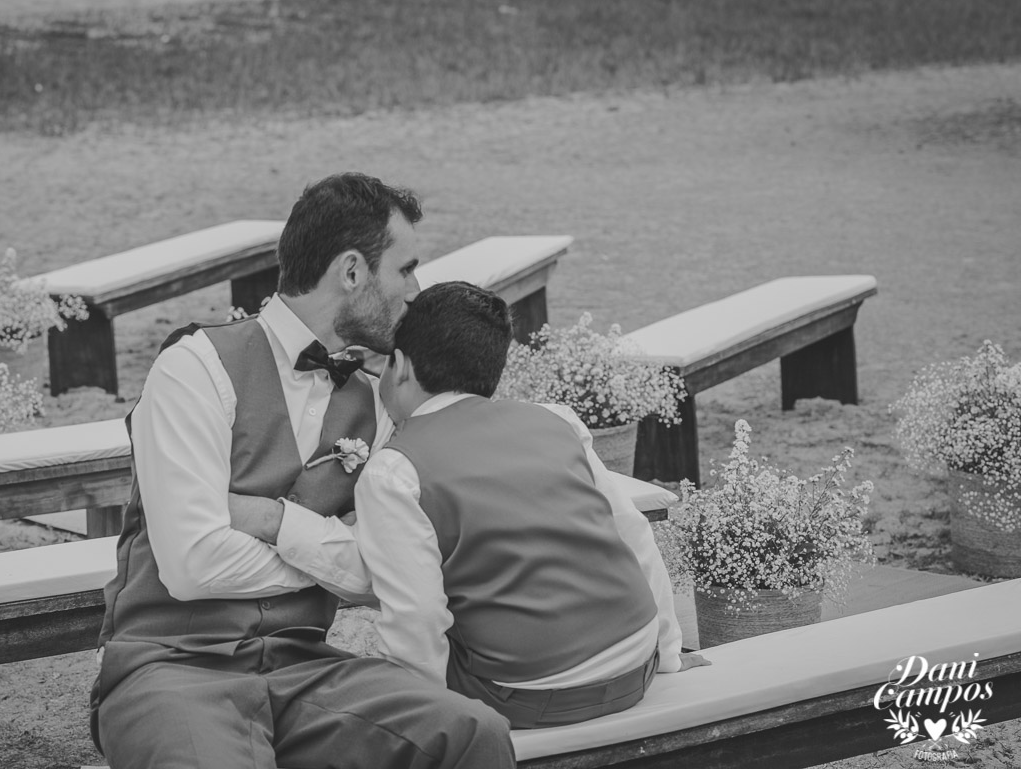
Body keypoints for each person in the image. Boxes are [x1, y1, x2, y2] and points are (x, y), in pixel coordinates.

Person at [90, 174, 515, 769]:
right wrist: (326, 560)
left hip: (307, 669)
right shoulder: (195, 367)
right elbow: (192, 565)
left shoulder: (378, 401)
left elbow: (381, 571)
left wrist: (271, 523)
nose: (417, 292)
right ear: (351, 272)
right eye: (406, 269)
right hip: (172, 671)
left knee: (472, 732)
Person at [355, 281, 710, 729]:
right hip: (637, 664)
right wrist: (669, 655)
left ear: (401, 366)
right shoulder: (555, 419)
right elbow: (633, 532)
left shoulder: (394, 470)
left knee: (370, 672)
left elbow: (418, 624)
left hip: (527, 695)